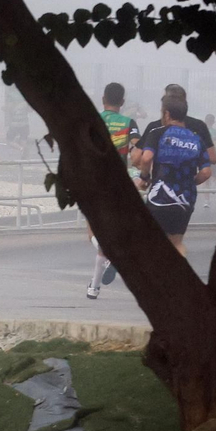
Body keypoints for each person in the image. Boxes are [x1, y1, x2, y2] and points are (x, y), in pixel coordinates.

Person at [135, 95, 213, 257]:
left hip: (160, 196)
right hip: (186, 198)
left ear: (167, 114)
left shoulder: (157, 133)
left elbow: (146, 157)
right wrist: (190, 182)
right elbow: (206, 172)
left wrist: (144, 178)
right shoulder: (196, 138)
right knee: (177, 243)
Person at [86, 82, 142, 300]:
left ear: (103, 99)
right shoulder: (129, 123)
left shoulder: (94, 121)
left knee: (93, 232)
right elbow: (138, 148)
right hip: (119, 182)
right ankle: (94, 287)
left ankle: (98, 280)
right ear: (123, 102)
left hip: (96, 180)